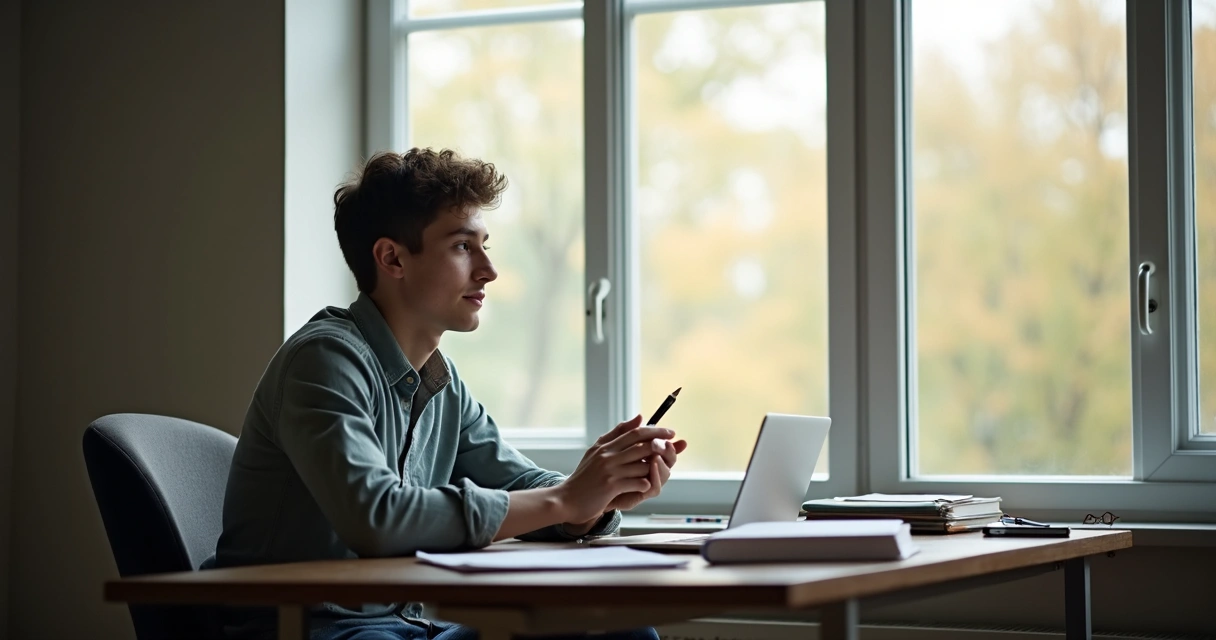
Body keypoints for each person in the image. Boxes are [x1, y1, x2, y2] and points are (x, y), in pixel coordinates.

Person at [208, 148, 688, 640]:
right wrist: (566, 498)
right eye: (463, 246)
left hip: (406, 626)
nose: (489, 270)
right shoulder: (324, 360)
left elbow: (518, 483)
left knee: (615, 628)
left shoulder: (441, 382)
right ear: (392, 257)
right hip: (315, 629)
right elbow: (378, 518)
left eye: (485, 245)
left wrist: (595, 496)